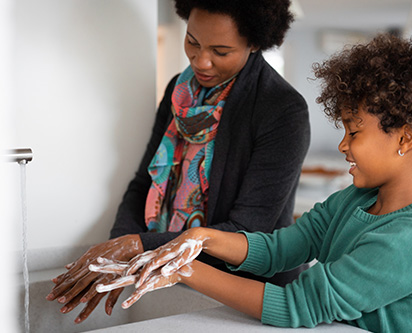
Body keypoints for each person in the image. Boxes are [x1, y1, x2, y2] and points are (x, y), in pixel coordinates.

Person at [91, 31, 412, 332]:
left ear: (406, 138)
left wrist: (184, 269)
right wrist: (200, 240)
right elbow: (281, 248)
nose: (343, 145)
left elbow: (297, 304)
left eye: (354, 132)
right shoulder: (356, 200)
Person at [46, 0, 310, 324]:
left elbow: (246, 232)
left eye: (221, 51)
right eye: (192, 42)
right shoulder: (178, 91)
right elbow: (144, 183)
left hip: (247, 294)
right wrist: (117, 249)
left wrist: (136, 246)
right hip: (172, 273)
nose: (201, 61)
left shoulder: (282, 109)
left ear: (254, 43)